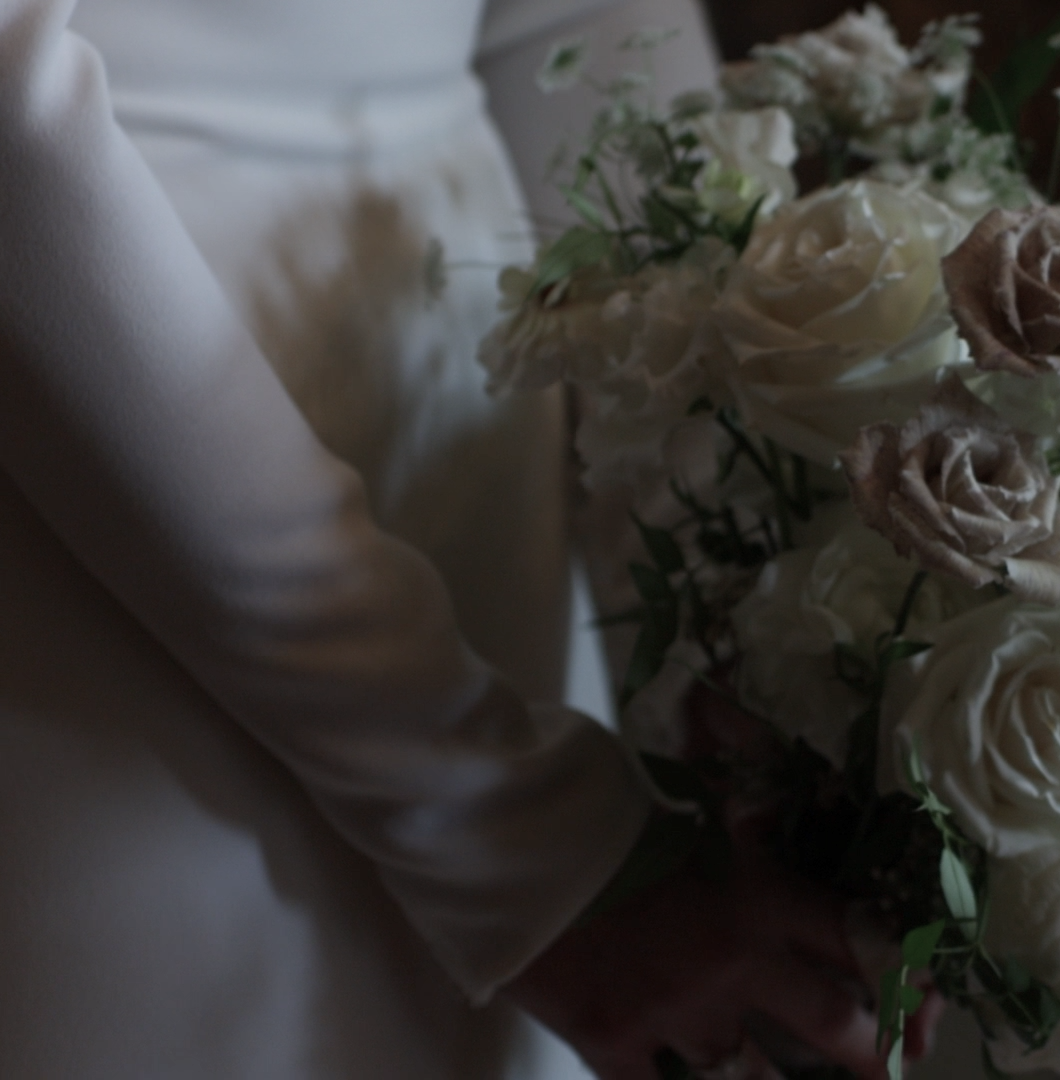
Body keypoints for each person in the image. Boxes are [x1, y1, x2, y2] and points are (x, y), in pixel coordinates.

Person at [0, 0, 897, 1076]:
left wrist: (740, 626)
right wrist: (497, 827)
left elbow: (577, 32)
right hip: (101, 512)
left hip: (486, 522)